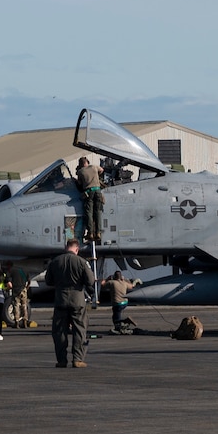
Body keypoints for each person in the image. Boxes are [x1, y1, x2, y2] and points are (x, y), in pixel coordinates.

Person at [44, 238, 95, 368]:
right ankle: (77, 359)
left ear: (66, 247)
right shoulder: (82, 262)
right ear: (77, 249)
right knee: (79, 330)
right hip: (77, 299)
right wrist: (90, 292)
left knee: (59, 331)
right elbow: (90, 281)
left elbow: (48, 281)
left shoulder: (55, 262)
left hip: (60, 299)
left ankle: (61, 360)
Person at [98, 270, 140, 334]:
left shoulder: (111, 282)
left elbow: (102, 284)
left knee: (115, 319)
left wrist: (107, 278)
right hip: (125, 303)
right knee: (117, 315)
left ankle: (125, 322)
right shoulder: (124, 283)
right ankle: (121, 325)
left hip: (117, 303)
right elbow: (132, 286)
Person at [75, 156, 105, 242]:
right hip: (98, 191)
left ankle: (90, 233)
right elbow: (102, 170)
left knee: (89, 212)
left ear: (81, 164)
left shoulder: (80, 172)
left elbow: (79, 183)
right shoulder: (94, 167)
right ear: (87, 162)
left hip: (89, 192)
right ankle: (98, 232)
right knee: (97, 212)